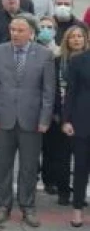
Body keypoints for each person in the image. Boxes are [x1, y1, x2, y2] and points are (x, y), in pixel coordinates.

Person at [0, 15, 55, 227]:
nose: (15, 34)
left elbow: (48, 91)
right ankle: (3, 205)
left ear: (31, 33)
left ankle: (28, 206)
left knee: (29, 166)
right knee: (3, 165)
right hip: (4, 118)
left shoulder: (45, 55)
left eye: (20, 30)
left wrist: (45, 119)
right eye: (12, 29)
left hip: (32, 120)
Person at [46, 24, 86, 205]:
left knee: (83, 159)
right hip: (59, 115)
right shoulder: (56, 61)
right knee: (61, 157)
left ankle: (79, 193)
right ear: (66, 40)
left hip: (83, 116)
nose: (76, 39)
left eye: (80, 36)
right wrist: (56, 112)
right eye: (73, 36)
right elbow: (50, 88)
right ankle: (63, 191)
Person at [63, 26, 90, 226]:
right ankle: (78, 209)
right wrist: (66, 120)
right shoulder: (78, 61)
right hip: (83, 121)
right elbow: (70, 93)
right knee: (81, 167)